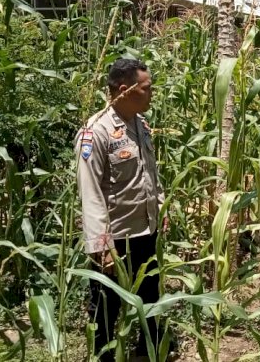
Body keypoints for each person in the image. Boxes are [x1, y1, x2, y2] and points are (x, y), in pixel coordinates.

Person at [76, 58, 165, 361]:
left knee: (150, 296)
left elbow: (148, 172)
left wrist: (160, 207)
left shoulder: (139, 124)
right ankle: (104, 356)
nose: (152, 93)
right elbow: (90, 193)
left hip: (145, 229)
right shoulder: (95, 132)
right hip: (116, 239)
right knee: (106, 307)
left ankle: (149, 349)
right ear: (125, 91)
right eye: (147, 88)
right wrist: (101, 244)